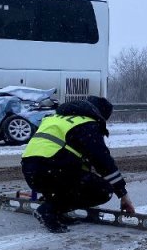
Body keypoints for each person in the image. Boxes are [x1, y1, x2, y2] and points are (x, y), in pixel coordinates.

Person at [20, 95, 135, 232]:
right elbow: (103, 162)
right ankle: (48, 210)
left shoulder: (55, 118)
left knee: (76, 174)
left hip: (31, 172)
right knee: (102, 191)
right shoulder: (87, 123)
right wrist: (123, 195)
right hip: (53, 172)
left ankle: (56, 211)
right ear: (100, 114)